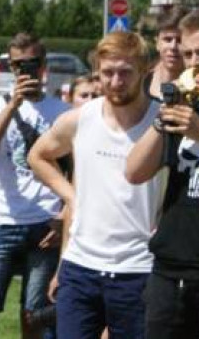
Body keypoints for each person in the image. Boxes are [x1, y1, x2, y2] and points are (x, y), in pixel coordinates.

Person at [27, 32, 161, 339]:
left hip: (139, 268)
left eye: (125, 72)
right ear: (97, 72)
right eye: (107, 73)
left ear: (144, 70)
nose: (115, 81)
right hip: (81, 266)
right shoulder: (81, 118)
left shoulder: (162, 121)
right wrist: (72, 197)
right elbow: (38, 156)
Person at [0, 33, 69, 339]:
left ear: (43, 65)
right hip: (5, 219)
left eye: (31, 63)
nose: (25, 70)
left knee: (35, 315)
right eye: (17, 64)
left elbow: (73, 169)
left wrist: (63, 216)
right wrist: (13, 105)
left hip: (45, 221)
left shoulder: (61, 111)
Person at [125, 10, 199, 338]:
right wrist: (161, 120)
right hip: (171, 269)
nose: (194, 62)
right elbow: (134, 171)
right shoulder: (184, 106)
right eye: (189, 54)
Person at [146, 8, 185, 99]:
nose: (173, 46)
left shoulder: (195, 89)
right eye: (168, 39)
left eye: (180, 40)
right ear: (157, 43)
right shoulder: (140, 81)